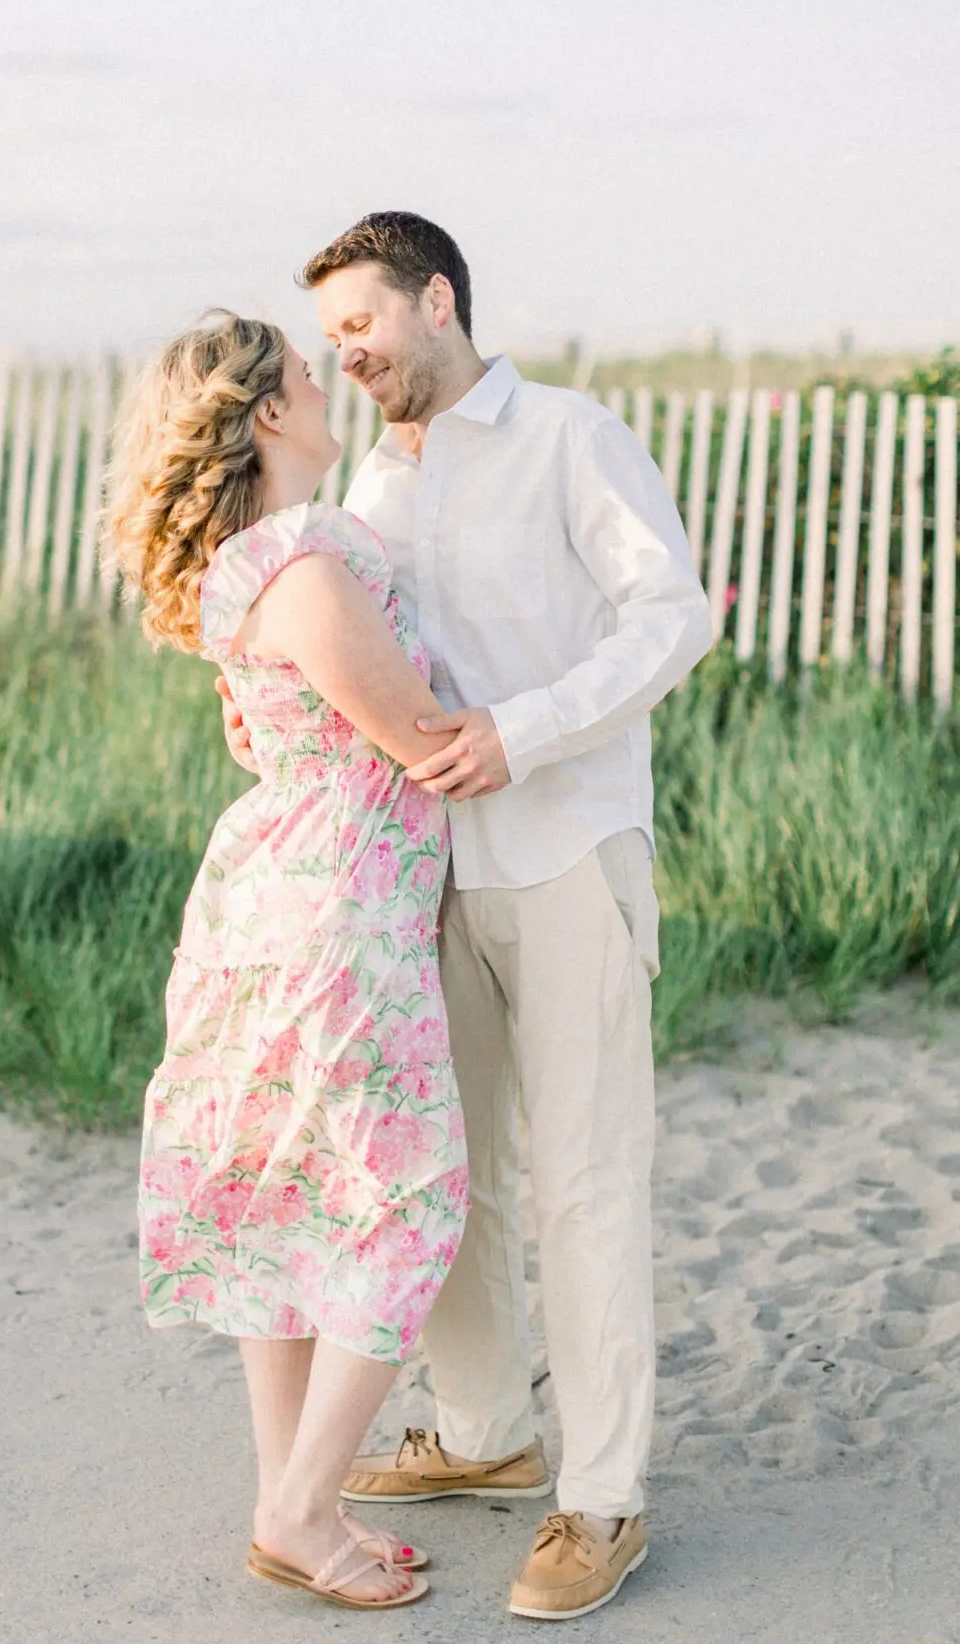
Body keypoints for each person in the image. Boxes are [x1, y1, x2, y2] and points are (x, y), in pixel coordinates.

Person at [220, 215, 713, 1622]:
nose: (346, 354)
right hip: (414, 875)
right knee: (452, 1182)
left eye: (363, 323)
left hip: (564, 847)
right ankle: (485, 1429)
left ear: (436, 300)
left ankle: (598, 1498)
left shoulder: (567, 433)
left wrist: (526, 729)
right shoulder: (368, 477)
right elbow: (343, 644)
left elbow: (669, 616)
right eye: (330, 342)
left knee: (583, 1179)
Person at [106, 310, 471, 1612]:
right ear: (267, 415)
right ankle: (305, 1508)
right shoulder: (306, 571)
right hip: (335, 915)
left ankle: (288, 1506)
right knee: (404, 1193)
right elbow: (418, 736)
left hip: (276, 898)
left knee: (292, 1201)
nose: (332, 388)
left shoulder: (253, 565)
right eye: (311, 378)